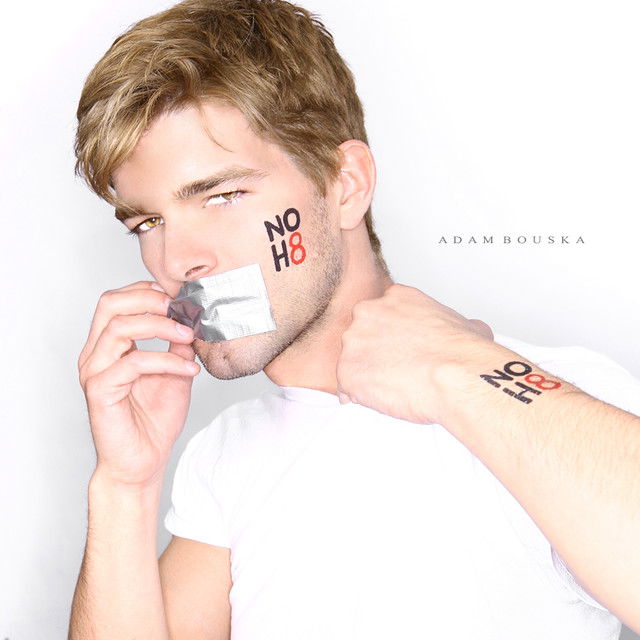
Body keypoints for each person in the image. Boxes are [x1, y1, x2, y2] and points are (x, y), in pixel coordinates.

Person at [68, 0, 640, 638]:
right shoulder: (229, 453)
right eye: (148, 222)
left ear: (346, 184)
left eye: (223, 195)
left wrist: (461, 370)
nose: (177, 260)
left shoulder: (562, 394)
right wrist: (125, 485)